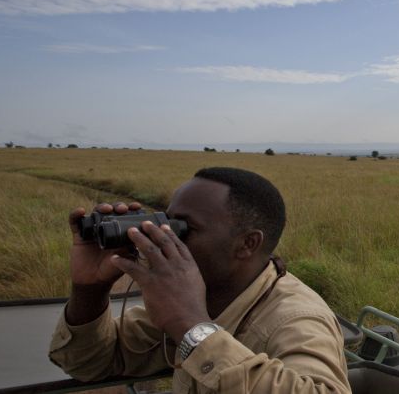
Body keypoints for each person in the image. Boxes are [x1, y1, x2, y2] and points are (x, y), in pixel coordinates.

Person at [49, 167, 351, 393]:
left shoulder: (296, 319)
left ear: (247, 244)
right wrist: (90, 288)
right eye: (166, 221)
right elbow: (88, 363)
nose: (164, 236)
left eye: (184, 228)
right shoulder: (204, 295)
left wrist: (192, 327)